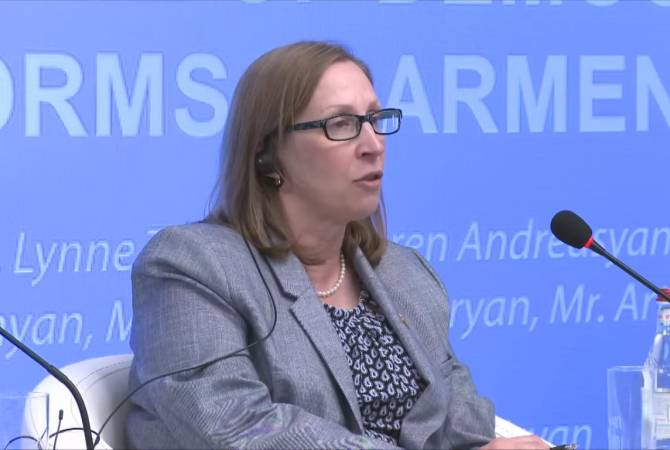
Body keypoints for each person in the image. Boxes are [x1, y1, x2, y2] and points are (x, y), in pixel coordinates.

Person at [125, 41, 549, 449]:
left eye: (375, 119)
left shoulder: (405, 273)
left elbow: (463, 423)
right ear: (267, 153)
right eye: (342, 124)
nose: (374, 145)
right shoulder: (193, 266)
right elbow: (237, 428)